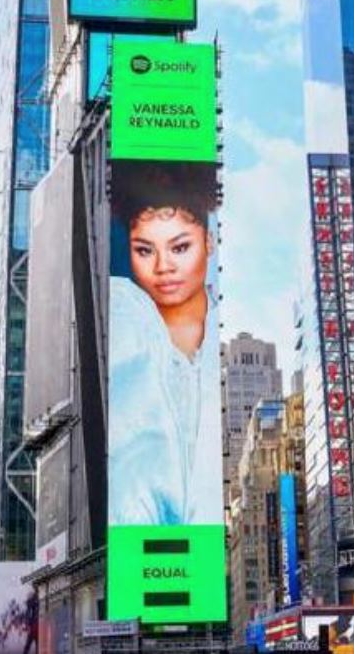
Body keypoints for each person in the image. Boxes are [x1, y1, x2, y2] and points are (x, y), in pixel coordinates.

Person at [108, 162, 223, 527]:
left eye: (180, 247)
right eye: (145, 250)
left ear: (209, 242)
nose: (163, 267)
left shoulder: (220, 334)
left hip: (200, 554)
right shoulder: (124, 318)